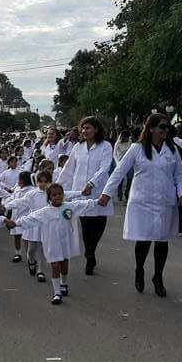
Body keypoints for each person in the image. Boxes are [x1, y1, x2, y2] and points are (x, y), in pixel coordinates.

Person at [99, 114, 182, 297]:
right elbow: (119, 172)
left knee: (162, 240)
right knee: (144, 239)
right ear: (151, 128)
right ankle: (139, 269)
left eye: (167, 127)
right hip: (142, 202)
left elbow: (179, 175)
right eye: (162, 127)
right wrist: (106, 194)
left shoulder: (172, 150)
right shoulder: (137, 149)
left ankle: (158, 276)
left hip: (164, 202)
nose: (165, 130)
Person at [10, 184, 99, 305]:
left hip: (65, 242)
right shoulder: (44, 212)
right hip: (52, 243)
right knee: (55, 265)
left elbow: (83, 204)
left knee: (64, 265)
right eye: (54, 195)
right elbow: (30, 218)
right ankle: (57, 292)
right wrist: (16, 223)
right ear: (49, 198)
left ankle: (63, 283)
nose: (57, 197)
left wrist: (98, 201)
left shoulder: (69, 207)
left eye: (60, 194)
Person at [56, 116, 113, 275]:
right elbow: (68, 170)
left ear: (96, 129)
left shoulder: (105, 146)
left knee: (99, 224)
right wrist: (57, 186)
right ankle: (90, 255)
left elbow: (105, 168)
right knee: (86, 226)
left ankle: (91, 249)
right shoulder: (78, 147)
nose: (84, 131)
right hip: (81, 192)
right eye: (83, 128)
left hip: (99, 191)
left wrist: (92, 183)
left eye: (88, 128)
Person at [4, 170, 51, 282]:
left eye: (46, 181)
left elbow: (66, 195)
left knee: (41, 248)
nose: (43, 184)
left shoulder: (51, 193)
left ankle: (40, 271)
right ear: (37, 182)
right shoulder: (32, 193)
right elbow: (20, 202)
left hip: (45, 224)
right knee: (31, 249)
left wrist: (81, 193)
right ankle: (31, 260)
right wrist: (6, 206)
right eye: (41, 181)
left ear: (50, 182)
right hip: (32, 223)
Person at [113, 130, 132, 203]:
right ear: (123, 137)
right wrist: (117, 163)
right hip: (120, 163)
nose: (127, 139)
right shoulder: (117, 143)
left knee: (130, 178)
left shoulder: (130, 142)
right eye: (126, 137)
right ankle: (119, 194)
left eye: (128, 137)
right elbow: (114, 155)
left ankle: (127, 192)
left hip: (129, 163)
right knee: (120, 180)